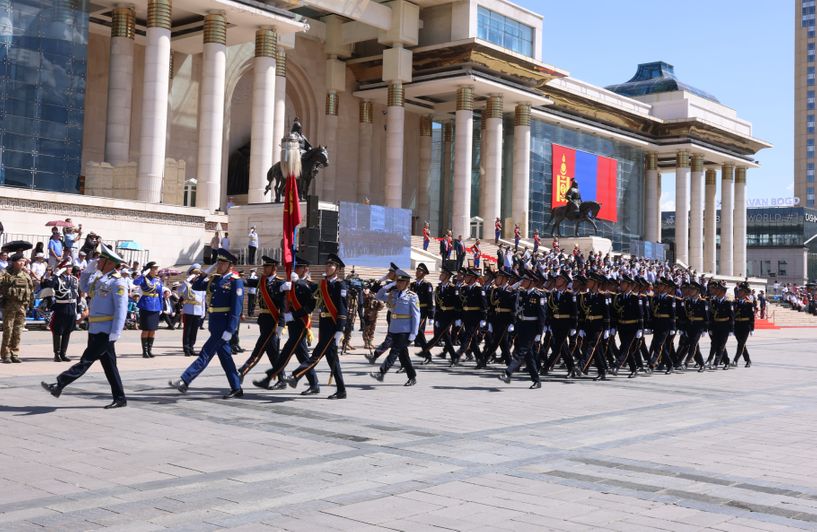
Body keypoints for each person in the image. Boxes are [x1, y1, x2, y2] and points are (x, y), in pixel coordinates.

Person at [41, 244, 129, 409]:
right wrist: (88, 269)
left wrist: (116, 332)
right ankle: (120, 398)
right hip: (95, 329)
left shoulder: (118, 282)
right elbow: (83, 287)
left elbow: (121, 310)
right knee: (110, 366)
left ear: (109, 262)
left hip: (106, 331)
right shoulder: (100, 278)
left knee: (86, 360)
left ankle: (59, 384)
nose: (98, 261)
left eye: (101, 259)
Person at [169, 248, 244, 398]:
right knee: (225, 358)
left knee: (206, 352)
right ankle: (236, 388)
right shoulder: (216, 278)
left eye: (223, 263)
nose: (219, 265)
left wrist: (231, 329)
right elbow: (197, 287)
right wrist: (204, 273)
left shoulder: (235, 282)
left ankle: (185, 380)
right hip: (215, 323)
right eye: (219, 262)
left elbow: (236, 308)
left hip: (223, 326)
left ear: (230, 265)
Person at [284, 253, 348, 399]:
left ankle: (296, 375)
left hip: (333, 325)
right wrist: (294, 314)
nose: (328, 267)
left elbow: (342, 308)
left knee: (316, 354)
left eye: (331, 265)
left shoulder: (340, 284)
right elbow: (311, 304)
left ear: (337, 269)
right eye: (327, 264)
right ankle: (341, 390)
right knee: (332, 359)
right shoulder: (322, 284)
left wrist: (340, 329)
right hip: (324, 324)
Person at [256, 255, 320, 394]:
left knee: (286, 352)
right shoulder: (290, 283)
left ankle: (273, 378)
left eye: (298, 267)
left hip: (301, 323)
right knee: (302, 355)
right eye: (295, 267)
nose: (295, 269)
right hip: (291, 323)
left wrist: (293, 315)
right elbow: (282, 300)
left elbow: (310, 306)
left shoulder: (311, 285)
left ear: (305, 270)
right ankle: (314, 384)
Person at [238, 256, 288, 388]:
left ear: (274, 268)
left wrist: (281, 325)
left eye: (267, 267)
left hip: (274, 321)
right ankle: (281, 378)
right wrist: (236, 279)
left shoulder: (280, 284)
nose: (264, 269)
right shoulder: (262, 280)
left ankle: (243, 371)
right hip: (263, 320)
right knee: (272, 352)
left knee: (259, 348)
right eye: (264, 266)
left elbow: (283, 307)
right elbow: (247, 282)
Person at [369, 269, 420, 386]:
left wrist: (414, 333)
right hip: (393, 328)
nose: (399, 284)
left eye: (401, 282)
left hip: (405, 330)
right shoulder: (393, 294)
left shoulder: (412, 296)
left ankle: (381, 372)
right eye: (397, 281)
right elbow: (379, 295)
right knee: (403, 355)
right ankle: (412, 377)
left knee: (394, 351)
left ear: (407, 283)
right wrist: (388, 285)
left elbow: (416, 315)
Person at [41, 260, 79, 362]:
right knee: (57, 331)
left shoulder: (74, 279)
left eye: (70, 267)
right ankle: (56, 353)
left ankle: (63, 353)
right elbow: (49, 285)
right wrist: (56, 274)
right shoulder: (58, 279)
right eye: (67, 267)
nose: (69, 269)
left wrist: (78, 310)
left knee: (68, 331)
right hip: (61, 307)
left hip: (71, 307)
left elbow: (77, 294)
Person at [0, 251, 34, 363]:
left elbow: (31, 290)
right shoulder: (6, 273)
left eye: (23, 261)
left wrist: (30, 305)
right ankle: (5, 355)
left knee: (18, 330)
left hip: (21, 306)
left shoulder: (26, 275)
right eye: (20, 261)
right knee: (8, 330)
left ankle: (14, 353)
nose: (23, 263)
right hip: (10, 305)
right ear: (14, 262)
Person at [134, 262, 163, 358]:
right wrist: (143, 274)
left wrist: (161, 307)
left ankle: (150, 350)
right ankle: (145, 351)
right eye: (154, 268)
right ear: (149, 269)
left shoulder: (158, 280)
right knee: (146, 329)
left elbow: (160, 294)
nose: (156, 270)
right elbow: (135, 283)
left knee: (153, 330)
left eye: (156, 268)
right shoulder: (144, 279)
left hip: (156, 306)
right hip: (146, 305)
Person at [177, 264, 206, 356]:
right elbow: (180, 291)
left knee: (194, 331)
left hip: (198, 310)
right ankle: (186, 348)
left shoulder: (201, 285)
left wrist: (203, 312)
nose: (196, 275)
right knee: (187, 330)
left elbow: (203, 300)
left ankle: (191, 347)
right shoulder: (186, 284)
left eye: (198, 274)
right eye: (194, 273)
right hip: (189, 310)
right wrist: (188, 279)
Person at [732, 282, 754, 367]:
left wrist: (752, 328)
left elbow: (751, 317)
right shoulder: (735, 302)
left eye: (740, 291)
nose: (738, 292)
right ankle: (748, 360)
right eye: (738, 291)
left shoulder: (749, 303)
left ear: (745, 292)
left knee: (741, 343)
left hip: (745, 326)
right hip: (737, 325)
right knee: (741, 343)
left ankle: (735, 360)